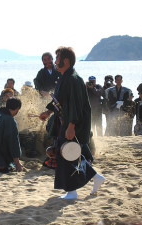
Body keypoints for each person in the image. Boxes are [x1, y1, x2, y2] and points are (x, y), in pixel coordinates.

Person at [39, 46, 105, 199]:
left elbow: (75, 104)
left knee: (66, 154)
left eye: (57, 58)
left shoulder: (73, 79)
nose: (55, 62)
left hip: (71, 124)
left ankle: (72, 191)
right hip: (65, 122)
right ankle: (96, 177)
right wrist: (48, 111)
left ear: (66, 61)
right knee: (71, 154)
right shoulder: (65, 76)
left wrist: (71, 126)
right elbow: (60, 100)